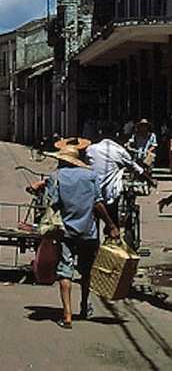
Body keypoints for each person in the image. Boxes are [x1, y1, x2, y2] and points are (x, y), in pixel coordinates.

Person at [33, 146, 119, 329]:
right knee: (86, 271)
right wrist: (111, 225)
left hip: (65, 232)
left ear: (63, 160)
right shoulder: (91, 176)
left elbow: (53, 203)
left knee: (65, 271)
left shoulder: (56, 177)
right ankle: (83, 306)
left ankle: (67, 316)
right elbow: (98, 203)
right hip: (88, 232)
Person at [85, 124, 152, 226]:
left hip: (92, 192)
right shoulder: (119, 150)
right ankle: (114, 231)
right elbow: (135, 168)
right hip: (110, 194)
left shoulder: (90, 149)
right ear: (116, 135)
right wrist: (150, 180)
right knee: (113, 218)